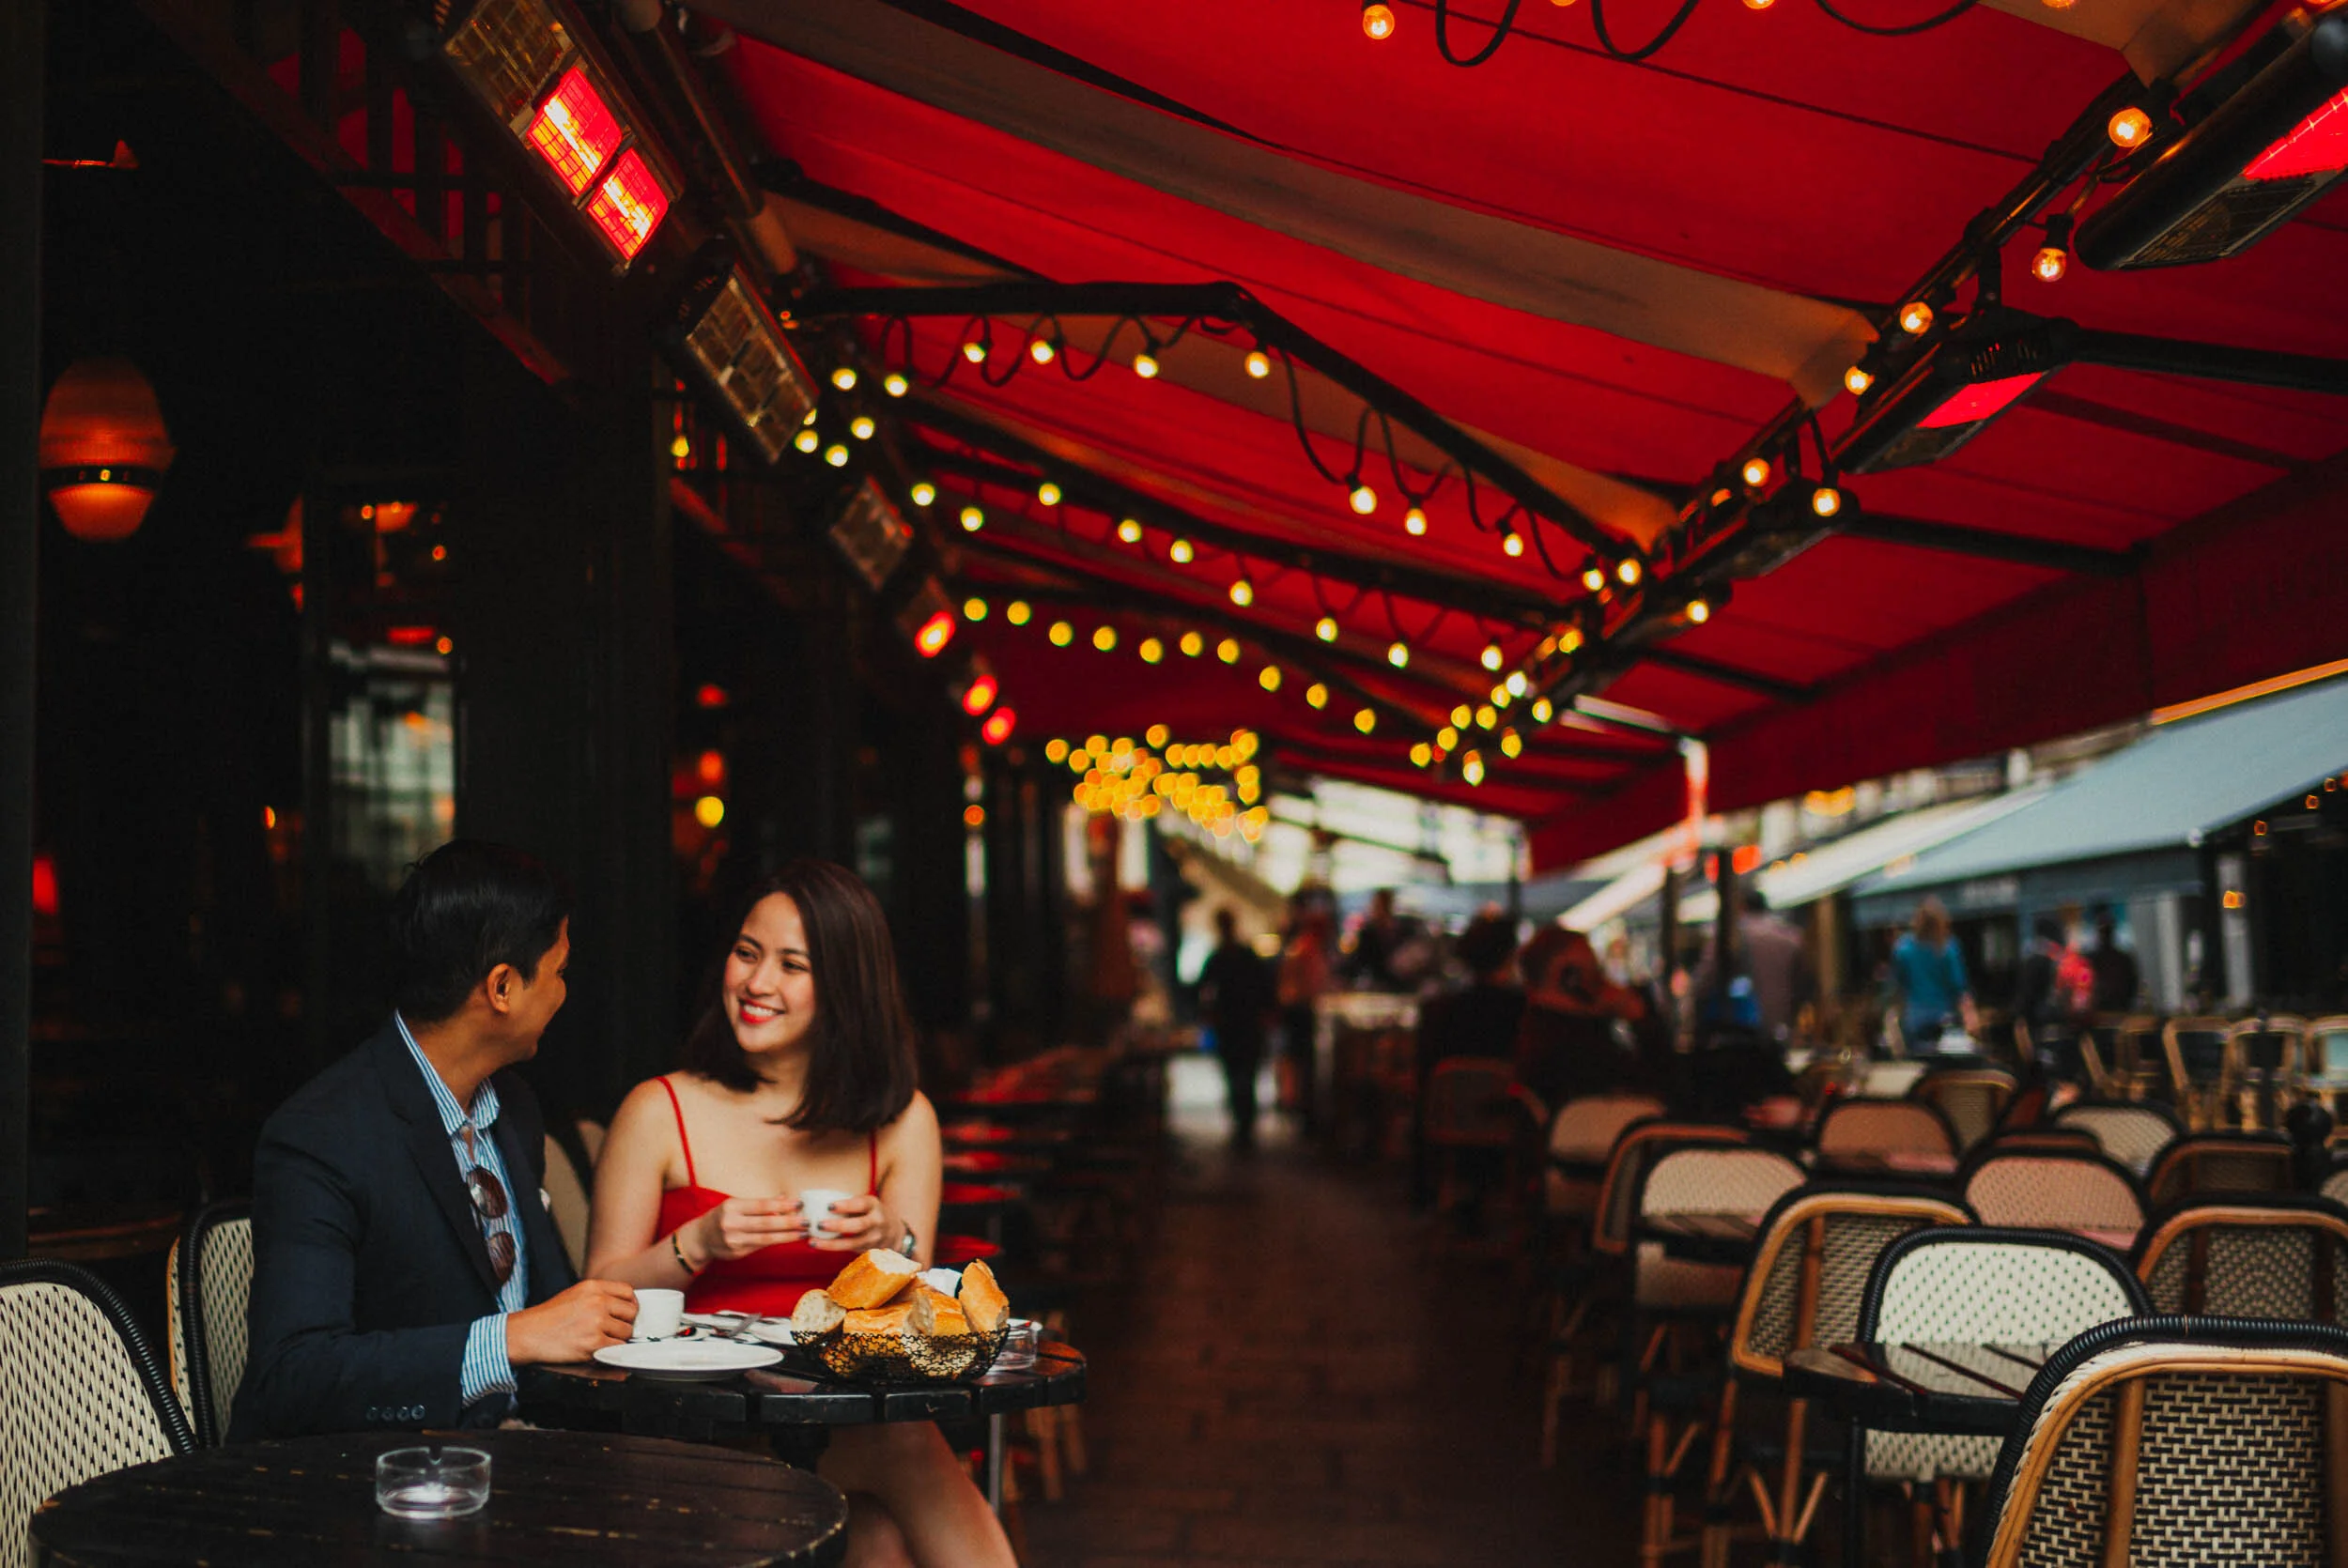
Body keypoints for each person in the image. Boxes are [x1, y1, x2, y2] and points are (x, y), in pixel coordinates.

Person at [586, 861, 1012, 1568]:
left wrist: (892, 1239)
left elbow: (914, 1324)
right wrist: (699, 1242)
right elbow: (598, 1295)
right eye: (747, 953)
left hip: (843, 1423)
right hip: (702, 1424)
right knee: (890, 1488)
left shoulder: (902, 1123)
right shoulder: (659, 1110)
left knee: (877, 1540)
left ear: (846, 989)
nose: (757, 983)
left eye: (793, 965)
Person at [232, 841, 639, 1441]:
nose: (564, 992)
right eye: (559, 972)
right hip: (377, 1491)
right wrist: (510, 1339)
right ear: (502, 988)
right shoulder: (321, 1137)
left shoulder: (513, 1108)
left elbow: (555, 1315)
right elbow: (291, 1378)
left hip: (522, 1464)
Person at [1410, 915, 1524, 1209]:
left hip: (1449, 1127)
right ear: (1511, 956)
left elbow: (1423, 1075)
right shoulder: (1523, 1011)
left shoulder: (1441, 1011)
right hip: (1509, 1128)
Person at [1514, 926, 1645, 1106]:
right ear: (1570, 978)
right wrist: (1640, 1019)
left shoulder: (1531, 1027)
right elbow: (1658, 1083)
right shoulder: (1577, 1041)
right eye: (1593, 969)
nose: (1603, 980)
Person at [1198, 906, 1277, 1150]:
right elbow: (1266, 988)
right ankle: (1244, 1125)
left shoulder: (1221, 956)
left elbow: (1202, 989)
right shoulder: (1240, 955)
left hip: (1234, 1024)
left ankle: (1243, 1125)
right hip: (1243, 1023)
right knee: (1244, 1075)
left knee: (1236, 1075)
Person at [1888, 897, 1977, 1053]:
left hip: (1914, 1021)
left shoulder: (1903, 949)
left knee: (1918, 1066)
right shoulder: (1948, 948)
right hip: (1944, 1020)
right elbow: (1959, 988)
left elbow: (1897, 989)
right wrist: (1970, 1016)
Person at [1274, 899, 1333, 1119]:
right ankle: (1299, 1104)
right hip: (1301, 1010)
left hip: (1300, 1009)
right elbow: (1302, 985)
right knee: (1301, 1059)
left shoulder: (1306, 948)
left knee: (1299, 1059)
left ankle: (1298, 1102)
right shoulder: (1305, 949)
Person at [2088, 914, 2140, 1013]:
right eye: (2103, 932)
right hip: (2098, 1011)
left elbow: (2132, 984)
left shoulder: (2124, 959)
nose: (2105, 935)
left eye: (2107, 931)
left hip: (2120, 1008)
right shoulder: (2092, 959)